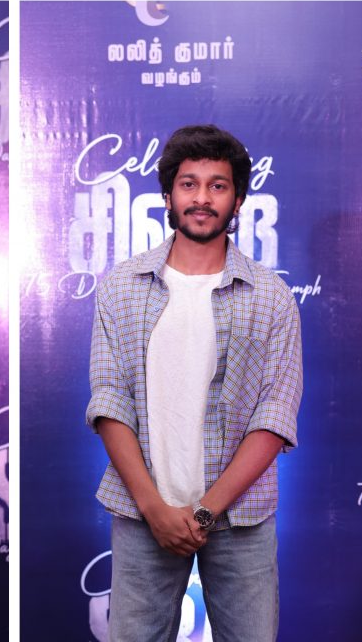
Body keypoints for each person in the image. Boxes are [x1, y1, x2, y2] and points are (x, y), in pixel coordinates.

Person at [86, 124, 302, 641]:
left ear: (238, 200)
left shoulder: (271, 297)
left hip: (241, 517)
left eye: (217, 185)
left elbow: (274, 416)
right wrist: (154, 507)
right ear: (168, 195)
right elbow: (110, 403)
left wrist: (206, 511)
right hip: (143, 512)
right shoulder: (122, 287)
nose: (202, 198)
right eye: (189, 184)